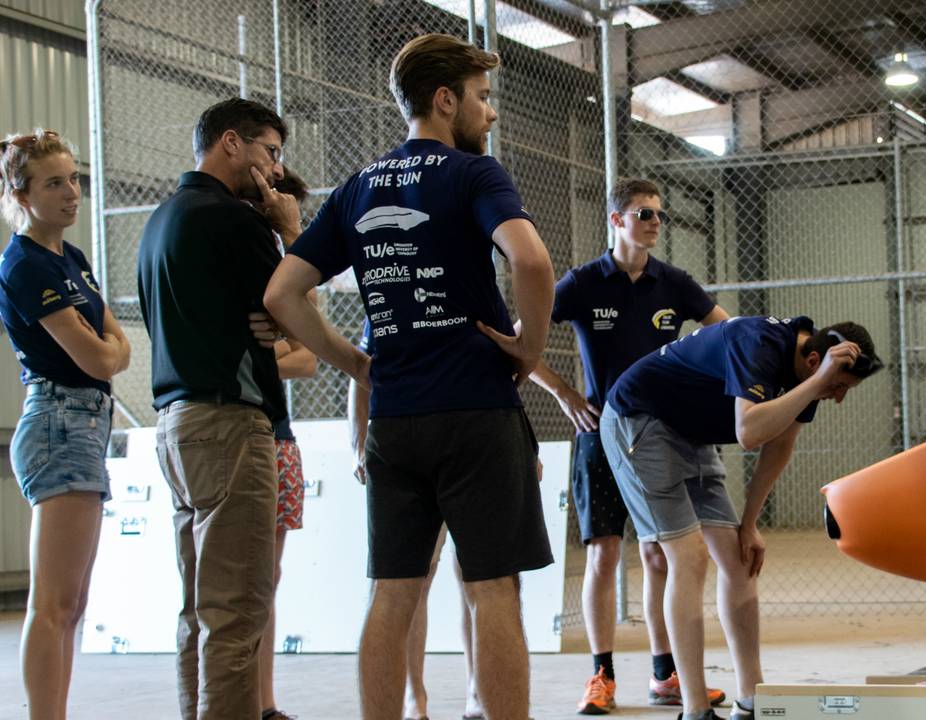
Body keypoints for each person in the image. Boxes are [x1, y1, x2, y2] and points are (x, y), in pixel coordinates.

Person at [264, 33, 555, 720]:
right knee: (493, 589)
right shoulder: (474, 175)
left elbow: (282, 294)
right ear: (445, 99)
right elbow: (533, 263)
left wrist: (356, 363)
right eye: (482, 99)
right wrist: (529, 349)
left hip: (395, 418)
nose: (490, 115)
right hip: (477, 412)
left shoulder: (358, 187)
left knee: (392, 592)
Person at [600, 316, 883, 720]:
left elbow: (780, 442)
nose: (836, 397)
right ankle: (695, 710)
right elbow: (749, 431)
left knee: (740, 559)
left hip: (690, 433)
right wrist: (818, 384)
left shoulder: (811, 376)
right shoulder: (759, 344)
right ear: (814, 359)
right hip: (639, 421)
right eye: (838, 387)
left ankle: (750, 700)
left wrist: (749, 524)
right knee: (689, 556)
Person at [526, 177, 729, 714]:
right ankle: (602, 675)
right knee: (603, 554)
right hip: (601, 434)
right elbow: (520, 338)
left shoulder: (673, 283)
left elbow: (725, 332)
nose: (655, 222)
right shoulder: (583, 283)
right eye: (644, 214)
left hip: (662, 436)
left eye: (659, 214)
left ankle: (666, 676)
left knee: (660, 555)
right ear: (616, 221)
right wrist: (566, 392)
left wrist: (702, 386)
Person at [137, 98, 300, 720]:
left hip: (176, 429)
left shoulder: (162, 219)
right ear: (231, 143)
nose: (276, 171)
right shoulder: (235, 220)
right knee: (236, 614)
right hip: (231, 426)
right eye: (270, 152)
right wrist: (287, 229)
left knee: (198, 611)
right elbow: (297, 305)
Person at [0, 128, 130, 720]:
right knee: (52, 603)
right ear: (22, 195)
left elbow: (121, 345)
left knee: (72, 603)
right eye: (54, 183)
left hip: (86, 421)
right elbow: (101, 357)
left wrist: (108, 347)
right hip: (60, 420)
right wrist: (107, 347)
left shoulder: (70, 259)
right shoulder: (25, 262)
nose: (71, 192)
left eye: (74, 178)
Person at [346, 320, 481, 720]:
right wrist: (357, 444)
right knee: (412, 581)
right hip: (407, 443)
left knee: (478, 577)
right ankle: (414, 698)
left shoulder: (474, 295)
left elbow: (504, 373)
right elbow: (361, 369)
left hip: (472, 442)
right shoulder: (388, 300)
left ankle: (477, 690)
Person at [257, 167, 318, 720]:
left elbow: (308, 356)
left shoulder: (284, 270)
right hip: (239, 432)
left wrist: (267, 354)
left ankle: (265, 701)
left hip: (279, 435)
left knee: (268, 580)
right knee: (241, 581)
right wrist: (277, 353)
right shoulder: (242, 263)